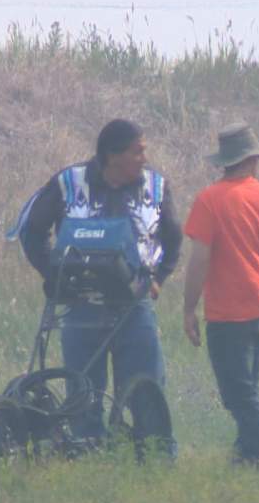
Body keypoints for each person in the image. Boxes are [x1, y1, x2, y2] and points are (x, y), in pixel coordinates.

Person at [15, 119, 182, 443]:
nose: (144, 159)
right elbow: (33, 232)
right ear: (112, 155)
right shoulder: (68, 182)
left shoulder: (156, 186)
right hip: (81, 304)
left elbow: (173, 238)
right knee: (83, 385)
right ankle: (87, 446)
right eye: (137, 152)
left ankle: (153, 448)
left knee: (145, 381)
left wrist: (159, 277)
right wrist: (55, 275)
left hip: (134, 304)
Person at [182, 121, 259, 468]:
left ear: (224, 162)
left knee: (237, 395)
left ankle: (258, 452)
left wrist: (189, 308)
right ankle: (245, 453)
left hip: (228, 317)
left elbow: (199, 260)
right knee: (248, 390)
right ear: (253, 160)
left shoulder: (209, 201)